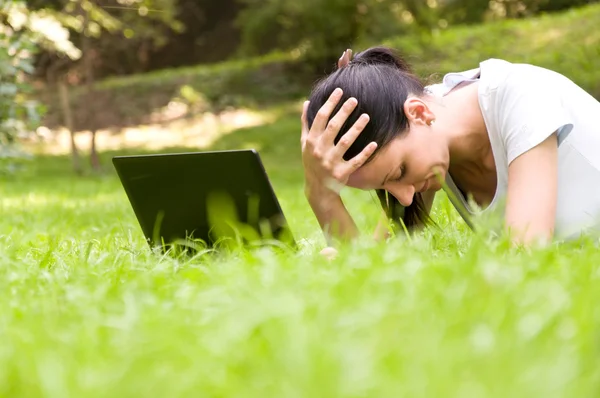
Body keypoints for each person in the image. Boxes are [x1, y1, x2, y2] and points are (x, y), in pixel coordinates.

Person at [300, 46, 600, 248]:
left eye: (399, 172)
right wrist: (322, 194)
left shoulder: (520, 96)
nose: (404, 199)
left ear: (418, 113)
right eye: (386, 187)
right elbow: (380, 274)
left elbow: (525, 258)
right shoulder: (431, 131)